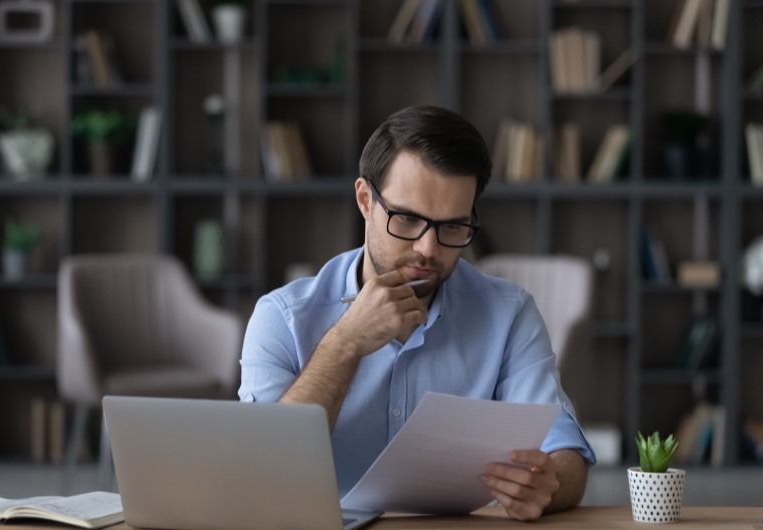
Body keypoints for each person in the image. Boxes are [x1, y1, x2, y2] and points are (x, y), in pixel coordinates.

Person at [239, 105, 595, 521]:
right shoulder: (282, 318)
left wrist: (548, 484)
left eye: (452, 227)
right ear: (365, 200)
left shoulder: (509, 315)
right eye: (407, 219)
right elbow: (262, 474)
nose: (428, 249)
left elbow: (566, 455)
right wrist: (346, 342)